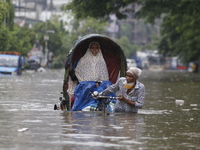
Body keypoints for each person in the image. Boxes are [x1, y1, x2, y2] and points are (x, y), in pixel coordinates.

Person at [68, 42, 114, 111]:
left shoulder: (101, 60)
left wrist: (99, 83)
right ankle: (88, 104)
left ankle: (111, 103)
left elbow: (104, 76)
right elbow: (77, 76)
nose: (94, 50)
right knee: (89, 86)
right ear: (89, 49)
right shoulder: (83, 60)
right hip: (85, 84)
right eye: (92, 48)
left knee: (108, 84)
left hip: (99, 84)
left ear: (99, 49)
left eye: (96, 48)